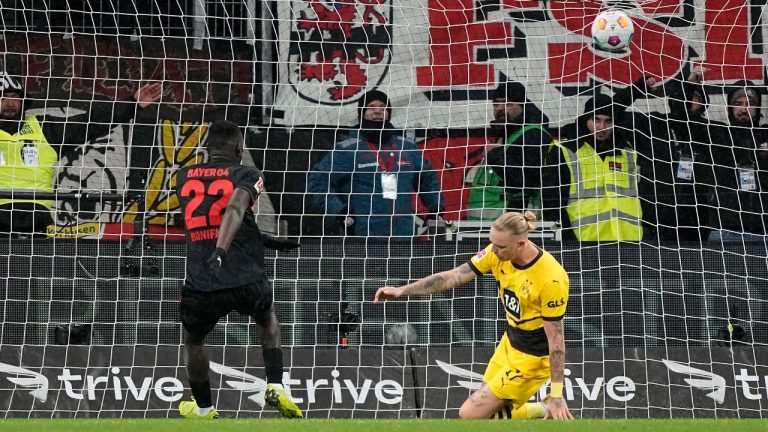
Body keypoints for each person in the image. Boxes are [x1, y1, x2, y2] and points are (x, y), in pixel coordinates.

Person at [374, 211, 573, 420]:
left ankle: (545, 408)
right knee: (490, 415)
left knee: (470, 415)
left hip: (533, 357)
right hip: (510, 343)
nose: (493, 251)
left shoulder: (551, 279)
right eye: (492, 243)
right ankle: (542, 409)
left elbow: (556, 340)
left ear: (521, 244)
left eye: (500, 247)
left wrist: (557, 395)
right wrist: (402, 291)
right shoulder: (496, 253)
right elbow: (453, 277)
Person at [174, 120, 303, 419]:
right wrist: (222, 250)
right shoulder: (248, 174)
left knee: (193, 340)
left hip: (202, 279)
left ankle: (204, 409)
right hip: (246, 275)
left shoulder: (183, 176)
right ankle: (275, 386)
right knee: (267, 319)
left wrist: (264, 240)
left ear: (207, 149)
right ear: (239, 148)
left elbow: (211, 217)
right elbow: (233, 210)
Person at [0, 71, 162, 234]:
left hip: (37, 216)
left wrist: (133, 104)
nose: (9, 103)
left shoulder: (45, 128)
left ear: (23, 100)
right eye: (2, 97)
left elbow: (90, 122)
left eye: (14, 96)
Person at [307, 90, 445, 236]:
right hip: (361, 235)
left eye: (383, 107)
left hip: (403, 235)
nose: (378, 111)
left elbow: (428, 179)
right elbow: (318, 180)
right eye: (371, 107)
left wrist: (436, 208)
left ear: (389, 113)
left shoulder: (407, 147)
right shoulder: (348, 149)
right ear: (362, 114)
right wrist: (340, 212)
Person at [616, 70, 717, 242]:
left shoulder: (712, 132)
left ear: (703, 103)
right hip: (653, 223)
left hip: (697, 225)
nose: (688, 101)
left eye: (694, 97)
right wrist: (637, 89)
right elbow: (610, 112)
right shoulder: (654, 124)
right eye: (685, 95)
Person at [551, 91, 647, 241]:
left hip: (628, 239)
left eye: (608, 121)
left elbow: (640, 197)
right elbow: (553, 201)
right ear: (585, 120)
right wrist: (566, 236)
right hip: (584, 238)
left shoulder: (628, 154)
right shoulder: (566, 151)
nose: (602, 127)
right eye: (596, 120)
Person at [466, 81, 559, 221]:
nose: (500, 109)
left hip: (509, 227)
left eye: (508, 104)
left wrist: (494, 155)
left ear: (523, 106)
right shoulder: (508, 134)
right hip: (489, 226)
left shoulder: (533, 134)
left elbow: (524, 181)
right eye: (496, 104)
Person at [705, 80, 768, 242]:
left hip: (765, 230)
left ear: (758, 107)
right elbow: (683, 116)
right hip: (726, 230)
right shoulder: (717, 134)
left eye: (750, 103)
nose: (744, 109)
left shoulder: (766, 134)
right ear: (730, 108)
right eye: (738, 103)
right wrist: (689, 86)